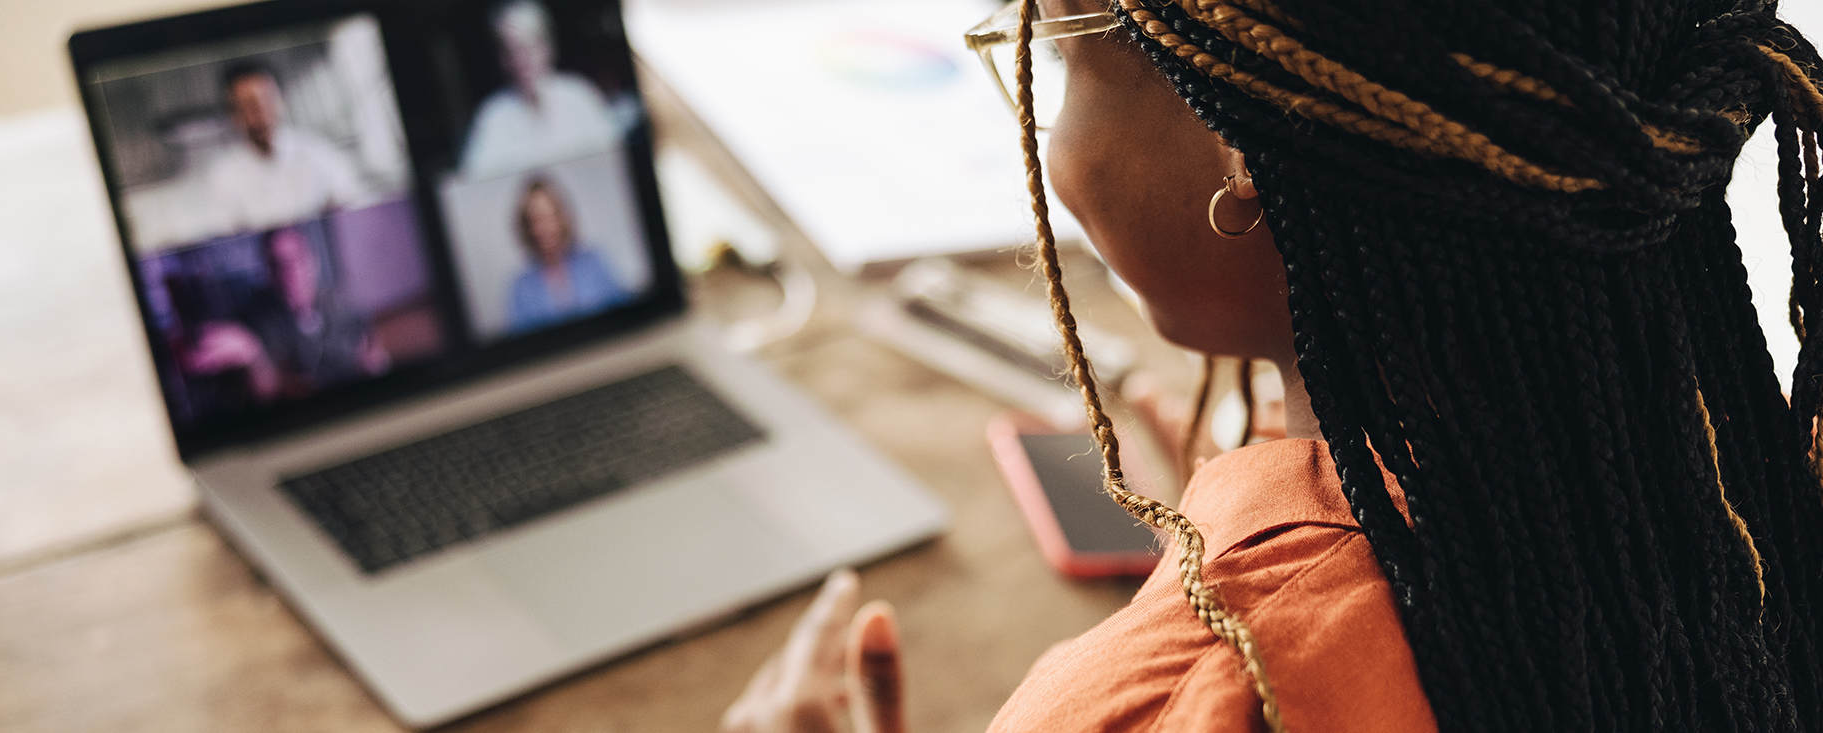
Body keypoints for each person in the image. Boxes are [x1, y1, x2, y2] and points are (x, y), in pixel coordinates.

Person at [723, 0, 1823, 731]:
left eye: (1058, 56)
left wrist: (1275, 578)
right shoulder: (1761, 486)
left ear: (1240, 141)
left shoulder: (1173, 702)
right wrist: (1284, 519)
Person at [181, 226, 389, 403]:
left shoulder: (341, 299)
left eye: (296, 258)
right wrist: (251, 353)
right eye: (277, 263)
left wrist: (373, 362)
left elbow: (368, 337)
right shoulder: (258, 319)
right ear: (268, 271)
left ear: (313, 260)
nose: (289, 271)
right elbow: (269, 390)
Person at [202, 63, 373, 235]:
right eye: (249, 105)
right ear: (234, 114)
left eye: (266, 99)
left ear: (281, 99)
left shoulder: (317, 152)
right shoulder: (224, 175)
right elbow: (222, 233)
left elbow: (353, 204)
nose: (260, 112)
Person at [457, 0, 619, 180]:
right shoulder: (492, 117)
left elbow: (614, 163)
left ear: (546, 47)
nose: (520, 61)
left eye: (526, 48)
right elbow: (473, 182)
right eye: (510, 51)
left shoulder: (579, 96)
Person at [504, 177, 630, 334]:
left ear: (561, 218)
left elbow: (626, 317)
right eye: (537, 220)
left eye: (550, 217)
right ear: (527, 227)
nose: (545, 228)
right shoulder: (521, 288)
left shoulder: (596, 262)